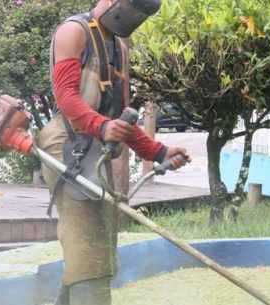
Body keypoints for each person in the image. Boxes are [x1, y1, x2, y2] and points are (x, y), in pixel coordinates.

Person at [36, 1, 189, 304]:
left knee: (101, 240)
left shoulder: (119, 47)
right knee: (86, 241)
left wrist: (158, 152)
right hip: (66, 146)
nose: (134, 16)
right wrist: (102, 126)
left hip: (97, 150)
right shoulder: (73, 32)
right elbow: (65, 96)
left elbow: (120, 117)